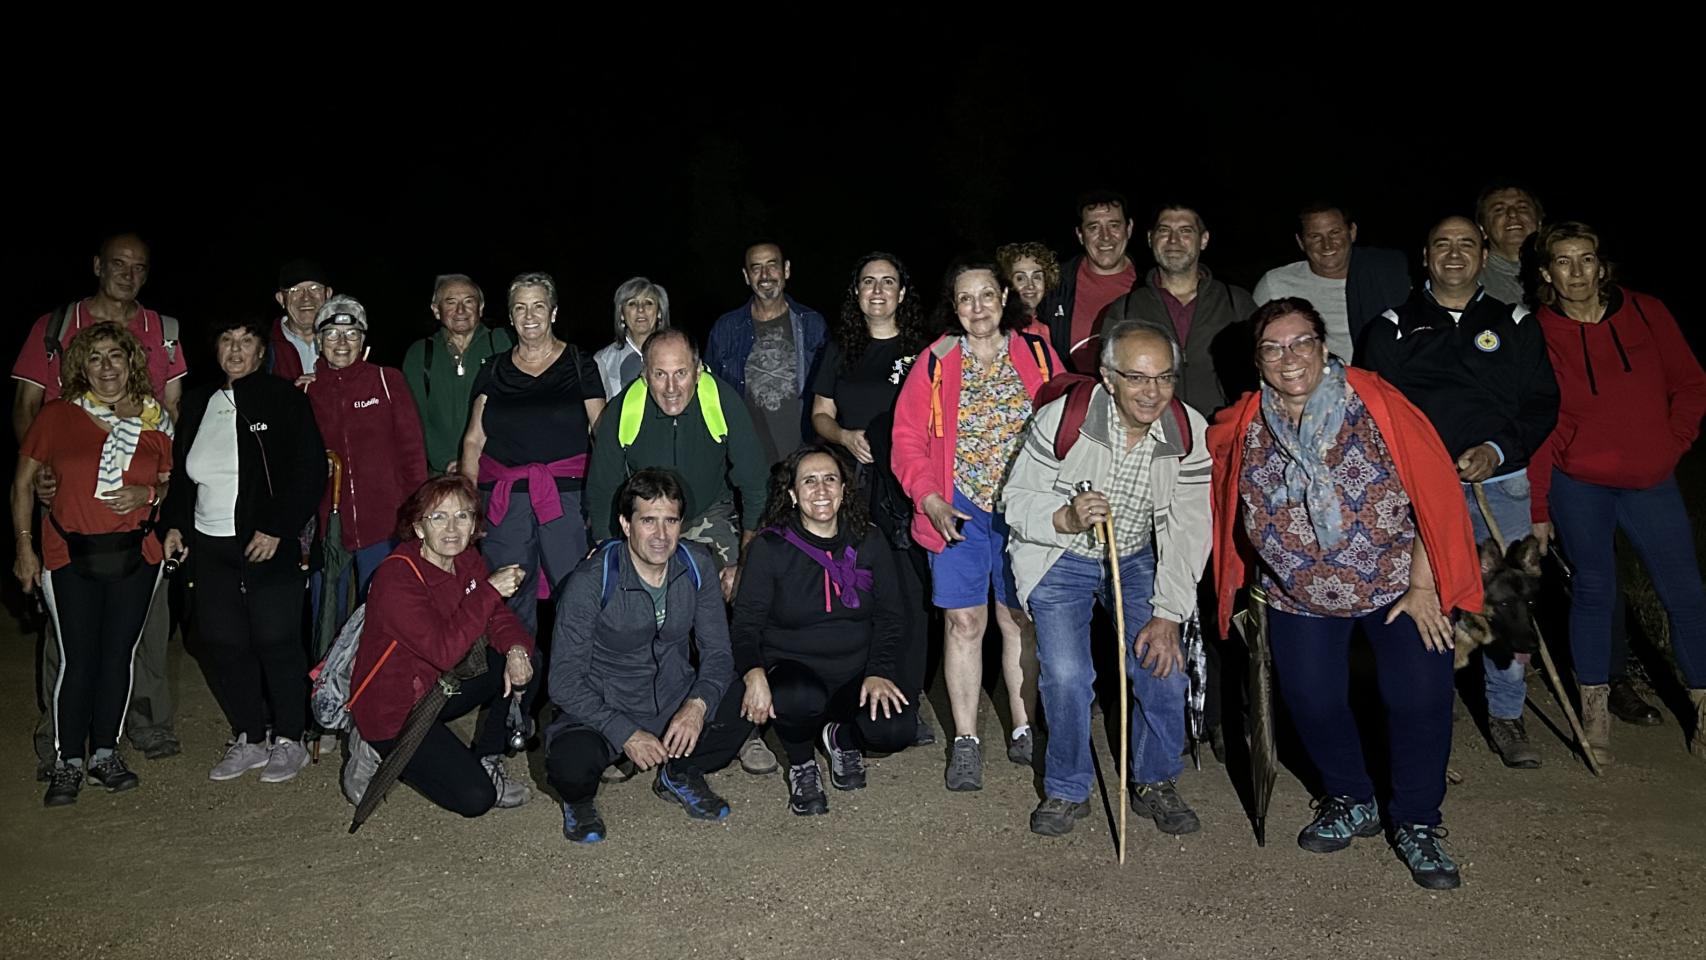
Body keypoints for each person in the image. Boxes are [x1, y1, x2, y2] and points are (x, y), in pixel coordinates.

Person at [1208, 298, 1481, 890]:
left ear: (1324, 346)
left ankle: (1416, 822)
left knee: (1418, 700)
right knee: (1312, 702)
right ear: (1258, 359)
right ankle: (1351, 797)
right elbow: (1226, 496)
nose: (1289, 357)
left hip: (1396, 587)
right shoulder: (1246, 421)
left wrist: (1425, 582)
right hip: (1296, 596)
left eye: (1301, 342)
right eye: (1273, 347)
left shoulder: (1377, 405)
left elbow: (1431, 493)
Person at [1360, 215, 1560, 768]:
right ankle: (1427, 715)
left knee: (1507, 603)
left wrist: (1496, 449)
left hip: (1499, 484)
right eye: (1442, 244)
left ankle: (1507, 714)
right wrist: (1422, 465)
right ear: (1425, 255)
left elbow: (1541, 402)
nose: (1454, 254)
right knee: (1428, 602)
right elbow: (1377, 412)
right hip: (1420, 493)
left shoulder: (1514, 320)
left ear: (1482, 253)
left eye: (1466, 244)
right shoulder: (1392, 326)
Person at [1003, 320, 1213, 837]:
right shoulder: (1064, 418)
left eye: (1164, 378)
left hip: (1136, 555)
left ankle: (1154, 778)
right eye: (1137, 378)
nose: (1152, 392)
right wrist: (1065, 517)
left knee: (1163, 668)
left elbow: (1190, 530)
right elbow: (1016, 500)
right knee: (1069, 677)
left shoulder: (1188, 430)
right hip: (1061, 554)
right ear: (1108, 377)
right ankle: (1067, 787)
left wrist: (1168, 613)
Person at [1525, 221, 1706, 763]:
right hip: (1579, 484)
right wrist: (1538, 506)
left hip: (1651, 483)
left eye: (1586, 259)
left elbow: (1691, 382)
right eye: (1563, 260)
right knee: (1594, 589)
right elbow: (1538, 423)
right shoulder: (1537, 331)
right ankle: (1595, 712)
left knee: (1687, 593)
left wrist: (1671, 444)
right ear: (1546, 272)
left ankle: (1703, 709)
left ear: (1602, 266)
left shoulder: (1647, 312)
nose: (1576, 272)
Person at [13, 231, 187, 771]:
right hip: (69, 488)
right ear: (97, 265)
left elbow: (172, 414)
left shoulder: (164, 332)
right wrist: (43, 470)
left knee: (143, 625)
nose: (127, 274)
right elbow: (27, 404)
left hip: (140, 499)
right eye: (117, 264)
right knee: (70, 635)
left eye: (139, 266)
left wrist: (158, 490)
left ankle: (145, 725)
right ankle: (60, 740)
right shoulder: (57, 328)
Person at [892, 256, 1063, 790]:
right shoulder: (937, 360)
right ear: (955, 306)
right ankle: (965, 739)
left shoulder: (1036, 352)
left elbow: (1067, 421)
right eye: (966, 299)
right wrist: (931, 499)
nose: (978, 307)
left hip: (1023, 513)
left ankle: (1022, 726)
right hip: (958, 511)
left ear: (1004, 298)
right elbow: (906, 440)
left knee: (1019, 620)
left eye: (987, 295)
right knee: (964, 623)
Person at [586, 326, 779, 776]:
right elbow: (600, 493)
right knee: (627, 608)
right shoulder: (624, 411)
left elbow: (753, 483)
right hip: (647, 516)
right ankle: (627, 732)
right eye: (659, 375)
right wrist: (609, 555)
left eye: (681, 374)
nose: (671, 388)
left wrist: (744, 560)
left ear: (697, 369)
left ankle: (744, 730)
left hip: (707, 512)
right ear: (643, 375)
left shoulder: (721, 400)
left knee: (738, 603)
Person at [160, 317, 326, 784]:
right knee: (222, 641)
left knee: (276, 639)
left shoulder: (284, 400)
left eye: (246, 340)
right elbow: (180, 475)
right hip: (209, 544)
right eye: (226, 339)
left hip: (266, 542)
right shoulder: (197, 404)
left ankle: (290, 737)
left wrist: (277, 527)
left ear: (261, 350)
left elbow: (309, 471)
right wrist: (174, 525)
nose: (235, 349)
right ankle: (251, 736)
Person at [545, 469, 752, 843]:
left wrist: (697, 706)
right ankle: (578, 802)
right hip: (605, 701)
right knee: (570, 766)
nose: (661, 535)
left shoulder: (696, 565)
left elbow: (718, 653)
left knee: (745, 701)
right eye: (648, 521)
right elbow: (563, 680)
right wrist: (623, 732)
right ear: (626, 524)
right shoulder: (591, 581)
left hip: (671, 695)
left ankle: (679, 773)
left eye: (671, 521)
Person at [731, 445, 915, 816]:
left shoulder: (870, 540)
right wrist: (753, 673)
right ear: (793, 494)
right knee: (798, 698)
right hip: (794, 670)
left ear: (844, 489)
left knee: (895, 728)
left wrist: (879, 670)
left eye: (830, 479)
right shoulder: (770, 547)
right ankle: (802, 762)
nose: (821, 490)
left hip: (856, 671)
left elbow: (892, 615)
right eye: (809, 481)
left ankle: (839, 735)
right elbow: (746, 622)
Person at [345, 474, 537, 816]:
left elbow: (495, 619)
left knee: (524, 657)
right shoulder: (396, 578)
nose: (452, 528)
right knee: (476, 799)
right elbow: (444, 650)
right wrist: (489, 591)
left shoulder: (466, 559)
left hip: (438, 689)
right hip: (395, 709)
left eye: (462, 516)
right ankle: (374, 746)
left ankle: (489, 758)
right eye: (439, 517)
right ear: (419, 527)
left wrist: (516, 650)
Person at [810, 252, 933, 744]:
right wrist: (842, 436)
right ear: (856, 293)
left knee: (911, 595)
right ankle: (855, 693)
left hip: (908, 491)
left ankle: (911, 697)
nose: (878, 290)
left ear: (903, 293)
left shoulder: (925, 350)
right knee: (857, 589)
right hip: (855, 488)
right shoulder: (841, 348)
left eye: (888, 282)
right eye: (868, 282)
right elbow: (820, 415)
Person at [459, 272, 604, 636]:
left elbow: (601, 432)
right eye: (520, 308)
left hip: (567, 501)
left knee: (576, 596)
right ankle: (516, 685)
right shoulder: (492, 369)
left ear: (553, 312)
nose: (529, 316)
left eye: (538, 306)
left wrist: (604, 501)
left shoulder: (578, 362)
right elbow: (474, 440)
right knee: (508, 603)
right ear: (510, 317)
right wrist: (465, 504)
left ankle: (574, 687)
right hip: (504, 505)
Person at [304, 295, 428, 630]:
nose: (342, 343)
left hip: (384, 526)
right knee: (325, 616)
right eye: (331, 334)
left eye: (352, 334)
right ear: (318, 341)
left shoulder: (388, 381)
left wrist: (416, 517)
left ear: (364, 340)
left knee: (383, 617)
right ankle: (326, 681)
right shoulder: (306, 393)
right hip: (329, 529)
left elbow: (412, 453)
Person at [1099, 203, 1259, 414]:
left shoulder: (1237, 302)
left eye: (1185, 231)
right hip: (1153, 435)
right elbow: (1110, 381)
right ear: (1150, 239)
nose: (1173, 241)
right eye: (1164, 231)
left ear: (1203, 240)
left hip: (1224, 435)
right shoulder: (1124, 310)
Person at [705, 241, 828, 462]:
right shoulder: (726, 329)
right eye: (756, 268)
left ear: (786, 270)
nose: (765, 275)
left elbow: (830, 392)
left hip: (803, 456)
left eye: (772, 265)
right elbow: (708, 394)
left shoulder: (812, 324)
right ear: (746, 276)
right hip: (746, 459)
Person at [1252, 203, 1411, 363]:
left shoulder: (1391, 271)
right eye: (1315, 236)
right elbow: (1256, 349)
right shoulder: (1275, 284)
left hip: (1388, 377)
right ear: (1301, 242)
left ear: (1352, 232)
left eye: (1335, 233)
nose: (1326, 244)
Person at [402, 274, 514, 475]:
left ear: (480, 307)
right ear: (436, 310)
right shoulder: (419, 354)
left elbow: (513, 408)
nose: (460, 310)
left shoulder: (501, 344)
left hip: (494, 469)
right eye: (451, 302)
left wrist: (477, 460)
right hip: (442, 473)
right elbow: (414, 418)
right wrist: (447, 460)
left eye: (468, 302)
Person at [1036, 190, 1142, 371]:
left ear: (1129, 228)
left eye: (1114, 225)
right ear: (1080, 234)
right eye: (1093, 227)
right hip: (1071, 394)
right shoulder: (1053, 285)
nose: (1105, 236)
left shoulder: (1151, 282)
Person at [593, 277, 671, 400]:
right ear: (622, 314)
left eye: (648, 303)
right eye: (632, 303)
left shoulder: (679, 354)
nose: (640, 309)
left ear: (659, 312)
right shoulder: (603, 360)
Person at [1474, 183, 1544, 306]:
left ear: (1539, 223)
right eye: (1499, 209)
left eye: (1522, 207)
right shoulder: (1470, 278)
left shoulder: (1566, 271)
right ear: (1482, 229)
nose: (1512, 214)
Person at [269, 260, 333, 383]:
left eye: (314, 288)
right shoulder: (264, 347)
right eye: (295, 290)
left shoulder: (349, 343)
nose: (306, 298)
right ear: (281, 298)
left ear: (328, 294)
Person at [995, 241, 1061, 345]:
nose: (1030, 285)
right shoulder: (996, 330)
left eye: (1037, 277)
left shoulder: (1046, 329)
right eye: (1020, 278)